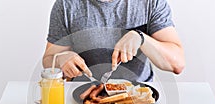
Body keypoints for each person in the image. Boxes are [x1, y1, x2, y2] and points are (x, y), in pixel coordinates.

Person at [43, 0, 185, 82]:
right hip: (83, 99)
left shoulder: (151, 2)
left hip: (138, 99)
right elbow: (48, 60)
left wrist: (141, 38)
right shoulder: (66, 5)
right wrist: (60, 58)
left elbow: (177, 64)